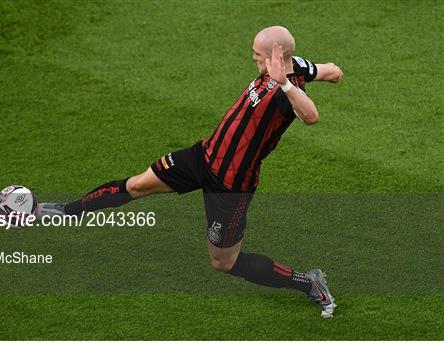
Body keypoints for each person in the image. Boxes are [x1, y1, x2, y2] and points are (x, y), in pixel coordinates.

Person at [39, 26, 343, 318]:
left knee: (224, 262)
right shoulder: (297, 64)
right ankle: (68, 211)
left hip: (230, 185)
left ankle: (308, 281)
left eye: (255, 53)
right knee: (137, 185)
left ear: (274, 56)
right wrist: (322, 73)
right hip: (203, 156)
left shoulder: (284, 92)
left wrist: (286, 83)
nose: (252, 57)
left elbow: (311, 116)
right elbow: (333, 71)